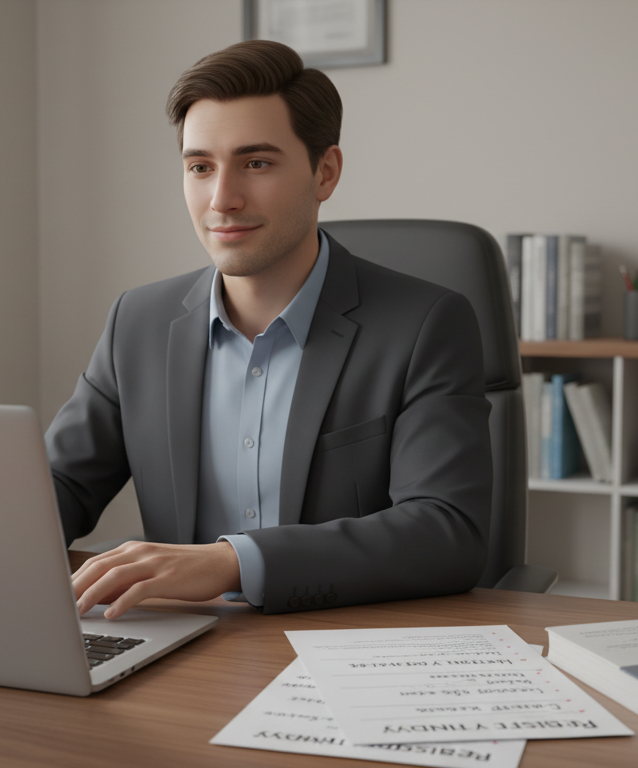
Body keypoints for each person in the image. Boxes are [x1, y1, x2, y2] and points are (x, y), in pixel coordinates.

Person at [46, 40, 491, 618]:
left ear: (324, 172)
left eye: (256, 163)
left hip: (344, 649)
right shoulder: (138, 322)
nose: (222, 199)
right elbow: (58, 487)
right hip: (180, 651)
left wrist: (231, 562)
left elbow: (446, 531)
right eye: (200, 167)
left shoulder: (425, 325)